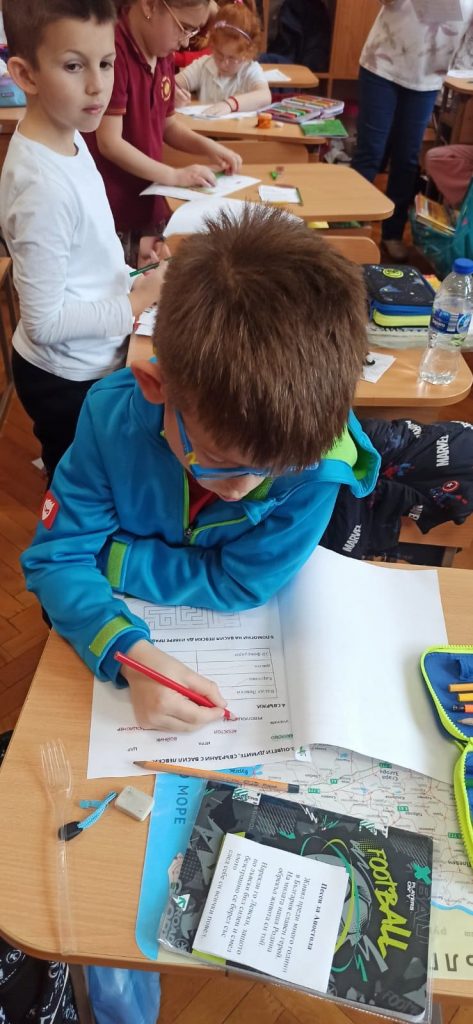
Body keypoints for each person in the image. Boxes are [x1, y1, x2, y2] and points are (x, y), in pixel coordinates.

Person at [21, 205, 382, 732]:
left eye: (271, 469)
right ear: (155, 387)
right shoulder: (110, 418)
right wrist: (129, 654)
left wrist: (112, 555)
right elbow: (55, 560)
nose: (243, 489)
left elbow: (242, 584)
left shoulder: (317, 463)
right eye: (218, 460)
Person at [0, 0, 165, 482]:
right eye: (74, 66)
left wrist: (132, 272)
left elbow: (84, 253)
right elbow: (45, 322)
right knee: (79, 483)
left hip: (90, 358)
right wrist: (138, 301)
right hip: (66, 377)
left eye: (106, 63)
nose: (98, 85)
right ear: (25, 75)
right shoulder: (41, 187)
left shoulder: (69, 136)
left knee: (98, 468)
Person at [87, 0, 243, 267]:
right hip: (115, 212)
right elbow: (110, 142)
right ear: (149, 5)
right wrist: (174, 175)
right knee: (129, 286)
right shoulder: (112, 51)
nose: (185, 42)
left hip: (148, 204)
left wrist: (210, 147)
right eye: (184, 27)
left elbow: (167, 125)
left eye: (193, 31)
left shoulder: (161, 52)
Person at [351, 0, 473, 261]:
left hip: (427, 77)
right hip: (382, 65)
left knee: (406, 159)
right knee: (370, 152)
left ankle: (392, 234)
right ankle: (351, 227)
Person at [174, 0, 271, 116]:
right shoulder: (205, 65)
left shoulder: (250, 70)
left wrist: (230, 104)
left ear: (247, 55)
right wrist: (175, 93)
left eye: (232, 58)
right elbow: (172, 83)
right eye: (219, 55)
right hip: (206, 126)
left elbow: (265, 96)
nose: (224, 63)